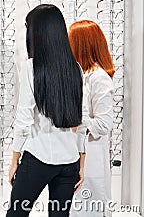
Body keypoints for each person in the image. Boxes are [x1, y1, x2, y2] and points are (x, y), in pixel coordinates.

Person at [6, 4, 86, 217]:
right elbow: (81, 120)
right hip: (69, 161)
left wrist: (15, 160)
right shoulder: (75, 68)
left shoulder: (32, 68)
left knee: (16, 213)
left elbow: (23, 120)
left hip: (38, 158)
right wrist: (81, 162)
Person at [68, 20, 114, 217]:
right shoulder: (82, 75)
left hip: (92, 155)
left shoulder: (99, 78)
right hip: (76, 154)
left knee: (90, 209)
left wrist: (75, 121)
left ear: (81, 45)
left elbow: (105, 124)